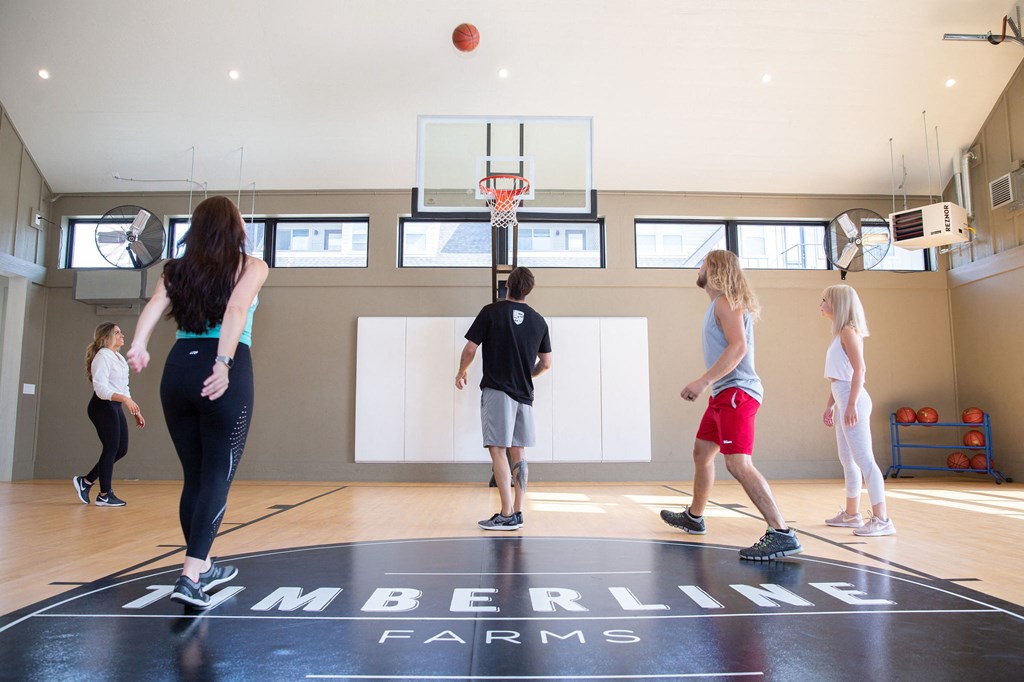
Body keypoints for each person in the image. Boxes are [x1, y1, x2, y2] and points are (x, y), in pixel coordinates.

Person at [127, 196, 269, 608]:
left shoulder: (176, 268)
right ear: (233, 227)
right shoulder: (251, 265)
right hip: (222, 368)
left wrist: (138, 345)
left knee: (195, 475)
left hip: (177, 372)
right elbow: (237, 308)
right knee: (217, 475)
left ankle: (203, 563)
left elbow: (155, 304)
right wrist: (223, 363)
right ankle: (190, 576)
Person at [660, 250, 802, 561]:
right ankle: (694, 517)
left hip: (737, 392)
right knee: (702, 451)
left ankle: (781, 532)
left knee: (738, 463)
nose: (697, 268)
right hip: (724, 394)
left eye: (702, 263)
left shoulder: (725, 301)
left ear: (713, 268)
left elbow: (739, 347)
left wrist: (702, 381)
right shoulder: (719, 303)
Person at [455, 267, 552, 531]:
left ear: (507, 284)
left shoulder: (491, 312)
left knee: (497, 449)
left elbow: (470, 348)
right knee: (518, 452)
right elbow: (545, 364)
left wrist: (461, 371)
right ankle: (518, 512)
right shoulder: (539, 321)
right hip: (524, 395)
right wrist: (526, 376)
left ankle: (507, 513)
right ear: (529, 290)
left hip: (498, 391)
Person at [820, 284, 895, 536]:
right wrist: (831, 405)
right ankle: (852, 515)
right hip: (843, 398)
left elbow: (859, 370)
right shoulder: (840, 333)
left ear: (838, 304)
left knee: (865, 460)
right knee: (847, 460)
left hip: (854, 400)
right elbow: (839, 376)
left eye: (825, 300)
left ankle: (882, 519)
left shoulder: (848, 332)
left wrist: (850, 404)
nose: (821, 305)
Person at [74, 322, 145, 507]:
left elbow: (123, 387)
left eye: (121, 332)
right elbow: (100, 389)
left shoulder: (118, 358)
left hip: (114, 405)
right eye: (117, 332)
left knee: (121, 449)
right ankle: (105, 494)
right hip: (102, 406)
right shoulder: (103, 357)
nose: (122, 335)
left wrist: (134, 409)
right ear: (106, 338)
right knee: (111, 448)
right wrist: (125, 400)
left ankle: (86, 481)